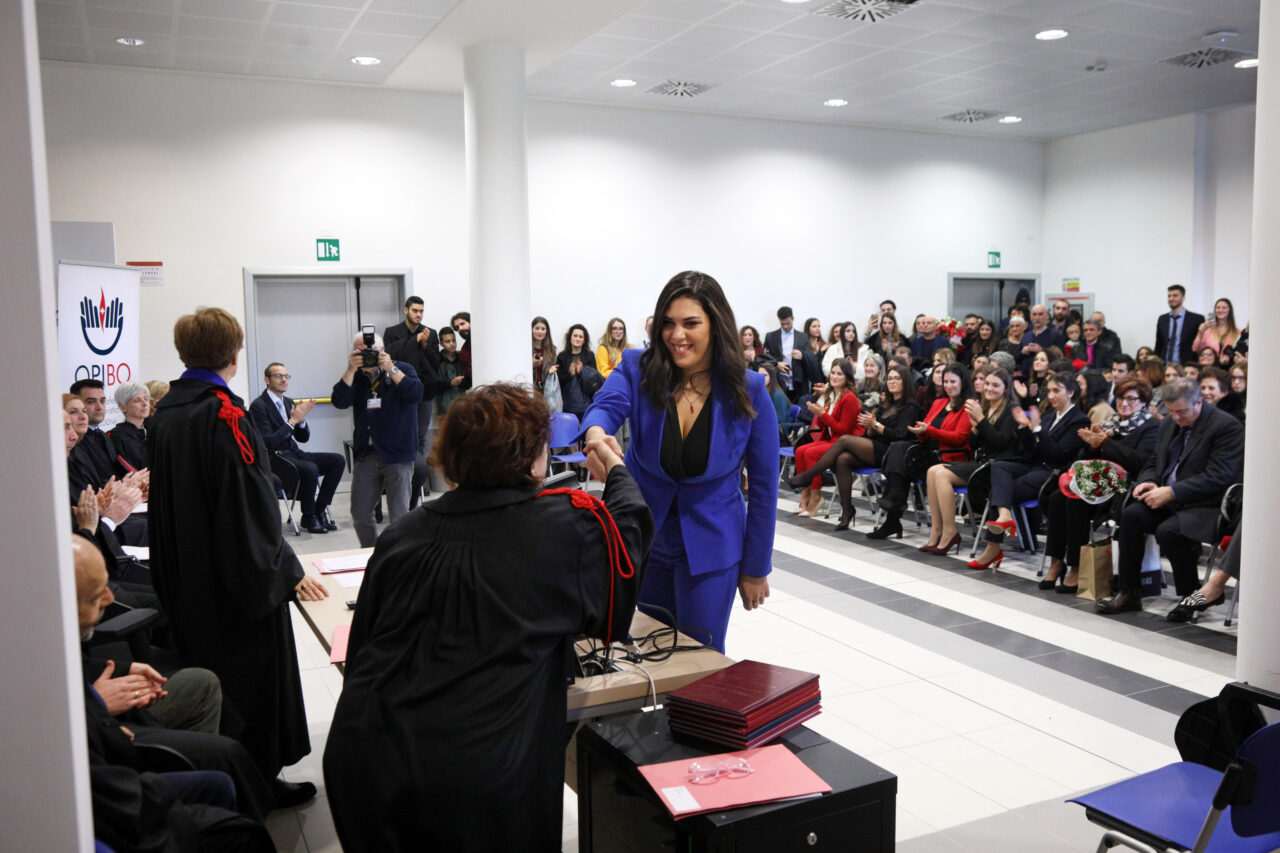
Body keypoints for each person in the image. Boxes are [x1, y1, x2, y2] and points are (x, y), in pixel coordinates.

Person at [324, 384, 651, 852]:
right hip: (477, 774)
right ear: (531, 461)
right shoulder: (560, 528)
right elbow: (621, 570)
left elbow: (361, 652)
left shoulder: (403, 533)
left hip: (365, 757)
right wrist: (617, 471)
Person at [147, 306, 325, 802]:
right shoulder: (223, 414)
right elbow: (249, 506)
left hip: (187, 575)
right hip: (234, 583)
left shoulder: (167, 414)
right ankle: (258, 783)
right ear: (233, 354)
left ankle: (226, 779)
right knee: (251, 683)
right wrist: (284, 570)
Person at [582, 270, 778, 653]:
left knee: (700, 658)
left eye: (691, 323)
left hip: (711, 546)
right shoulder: (638, 367)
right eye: (669, 323)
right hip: (646, 538)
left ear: (716, 325)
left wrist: (755, 568)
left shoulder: (749, 389)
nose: (677, 335)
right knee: (652, 654)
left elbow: (766, 488)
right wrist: (595, 435)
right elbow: (605, 407)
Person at [1096, 377, 1244, 613]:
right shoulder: (1168, 424)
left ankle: (1191, 596)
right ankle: (1128, 592)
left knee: (1169, 531)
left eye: (1182, 411)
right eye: (1172, 411)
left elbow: (1219, 477)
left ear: (1199, 402)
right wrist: (1148, 482)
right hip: (1169, 497)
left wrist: (1172, 491)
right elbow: (1155, 461)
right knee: (1132, 515)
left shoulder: (1226, 427)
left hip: (1207, 504)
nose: (1176, 417)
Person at [1040, 375, 1159, 592]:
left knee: (1075, 502)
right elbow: (1086, 457)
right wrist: (1092, 446)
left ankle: (1076, 566)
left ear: (1144, 402)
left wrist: (1105, 443)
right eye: (1121, 398)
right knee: (1058, 496)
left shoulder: (1150, 427)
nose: (1124, 403)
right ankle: (1056, 561)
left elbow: (1139, 462)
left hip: (1125, 487)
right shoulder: (1111, 423)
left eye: (1131, 399)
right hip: (1098, 481)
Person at [969, 371, 1090, 569]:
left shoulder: (1079, 420)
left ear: (1070, 392)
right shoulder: (1051, 417)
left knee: (998, 492)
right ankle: (1004, 519)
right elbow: (1032, 451)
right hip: (1035, 466)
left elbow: (1057, 455)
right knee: (998, 466)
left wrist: (1037, 429)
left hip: (1054, 474)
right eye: (1049, 391)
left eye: (1056, 391)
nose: (1051, 395)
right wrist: (1025, 428)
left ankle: (994, 546)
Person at [785, 364, 920, 531]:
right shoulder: (886, 404)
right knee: (843, 459)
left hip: (892, 453)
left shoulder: (910, 406)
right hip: (876, 446)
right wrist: (871, 428)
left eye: (897, 378)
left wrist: (875, 425)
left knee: (843, 441)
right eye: (890, 378)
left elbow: (900, 435)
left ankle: (805, 477)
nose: (892, 382)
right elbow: (872, 433)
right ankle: (847, 510)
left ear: (905, 382)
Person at [332, 331, 424, 547]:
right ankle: (370, 554)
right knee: (360, 513)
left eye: (369, 351)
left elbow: (416, 393)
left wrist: (390, 368)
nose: (365, 356)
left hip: (398, 454)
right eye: (359, 351)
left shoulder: (402, 368)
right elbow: (339, 401)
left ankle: (397, 558)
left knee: (399, 517)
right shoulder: (356, 377)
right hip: (367, 454)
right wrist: (350, 369)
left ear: (382, 351)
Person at [920, 368, 1020, 555]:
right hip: (981, 461)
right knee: (932, 470)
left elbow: (1000, 442)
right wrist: (975, 430)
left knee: (942, 475)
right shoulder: (985, 406)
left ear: (1006, 389)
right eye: (987, 384)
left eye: (995, 385)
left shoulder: (1011, 410)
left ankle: (950, 532)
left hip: (998, 467)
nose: (989, 388)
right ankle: (937, 530)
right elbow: (974, 445)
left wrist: (981, 421)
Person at [870, 363, 974, 540]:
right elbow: (925, 427)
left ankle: (894, 511)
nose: (948, 385)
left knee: (901, 461)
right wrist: (920, 431)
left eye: (953, 381)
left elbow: (958, 438)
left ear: (963, 383)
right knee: (899, 448)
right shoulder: (939, 402)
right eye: (946, 381)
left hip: (950, 457)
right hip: (929, 453)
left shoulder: (968, 406)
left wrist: (929, 431)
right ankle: (895, 503)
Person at [248, 362, 345, 534]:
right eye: (278, 376)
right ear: (267, 380)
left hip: (295, 453)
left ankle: (319, 510)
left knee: (337, 460)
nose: (284, 380)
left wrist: (301, 422)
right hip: (276, 458)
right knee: (310, 469)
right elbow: (268, 442)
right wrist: (292, 421)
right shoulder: (259, 406)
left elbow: (303, 438)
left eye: (286, 376)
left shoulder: (288, 402)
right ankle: (308, 517)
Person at [790, 359, 860, 517]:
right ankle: (805, 496)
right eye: (833, 373)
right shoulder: (833, 395)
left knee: (810, 453)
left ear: (847, 377)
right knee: (800, 450)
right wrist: (819, 414)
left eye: (839, 374)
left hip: (843, 443)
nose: (834, 376)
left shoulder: (849, 398)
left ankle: (816, 497)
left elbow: (844, 430)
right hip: (832, 440)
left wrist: (823, 415)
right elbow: (827, 426)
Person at [384, 295, 442, 459]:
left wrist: (424, 346)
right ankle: (403, 477)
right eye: (415, 310)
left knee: (420, 437)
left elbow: (435, 363)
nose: (419, 314)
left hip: (425, 393)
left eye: (421, 311)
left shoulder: (430, 333)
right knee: (399, 434)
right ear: (406, 310)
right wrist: (414, 340)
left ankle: (417, 479)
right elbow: (390, 355)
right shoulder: (392, 332)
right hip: (399, 393)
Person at [69, 378, 117, 488]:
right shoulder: (73, 444)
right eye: (91, 402)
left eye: (102, 401)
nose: (99, 407)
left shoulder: (104, 437)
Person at [1154, 284, 1205, 366]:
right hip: (1165, 365)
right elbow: (1158, 344)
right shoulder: (1163, 319)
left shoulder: (1197, 319)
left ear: (1183, 298)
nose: (1171, 298)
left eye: (1175, 296)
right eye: (1169, 296)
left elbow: (1200, 345)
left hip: (1187, 365)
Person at [555, 323, 597, 420]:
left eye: (581, 337)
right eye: (575, 336)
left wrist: (582, 373)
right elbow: (558, 382)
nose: (578, 339)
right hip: (567, 406)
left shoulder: (589, 355)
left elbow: (595, 382)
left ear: (584, 340)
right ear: (570, 338)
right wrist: (570, 374)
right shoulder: (562, 356)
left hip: (586, 404)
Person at [765, 306, 807, 401]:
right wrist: (776, 363)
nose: (785, 326)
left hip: (798, 383)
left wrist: (802, 355)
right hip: (778, 381)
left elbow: (809, 358)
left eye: (788, 323)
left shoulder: (803, 337)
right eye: (782, 324)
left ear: (793, 318)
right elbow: (765, 357)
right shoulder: (770, 337)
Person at [110, 382, 150, 472]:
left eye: (146, 399)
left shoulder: (152, 430)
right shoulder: (118, 437)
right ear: (123, 407)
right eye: (137, 400)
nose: (144, 404)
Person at [1191, 297, 1240, 366]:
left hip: (1228, 368)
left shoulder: (1237, 332)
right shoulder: (1206, 329)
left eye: (1224, 308)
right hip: (1209, 368)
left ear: (1229, 310)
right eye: (1218, 308)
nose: (1220, 310)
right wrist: (1201, 331)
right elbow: (1195, 349)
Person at [1019, 304, 1066, 375]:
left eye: (1040, 314)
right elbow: (1016, 357)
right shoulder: (1026, 335)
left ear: (1046, 316)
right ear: (1031, 317)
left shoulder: (1055, 335)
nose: (1037, 318)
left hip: (1046, 378)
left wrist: (1042, 351)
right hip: (1026, 378)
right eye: (1034, 315)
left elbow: (1060, 358)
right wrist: (1022, 352)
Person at [434, 327, 467, 416]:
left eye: (453, 340)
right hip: (443, 408)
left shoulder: (462, 357)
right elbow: (434, 385)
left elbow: (469, 381)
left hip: (463, 406)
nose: (452, 344)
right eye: (447, 341)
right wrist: (450, 383)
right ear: (441, 343)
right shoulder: (436, 360)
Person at [531, 315, 557, 390]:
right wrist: (532, 365)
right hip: (530, 389)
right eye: (537, 328)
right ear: (531, 330)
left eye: (543, 329)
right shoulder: (525, 349)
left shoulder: (552, 349)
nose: (540, 332)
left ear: (547, 331)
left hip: (546, 391)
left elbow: (551, 374)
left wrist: (551, 371)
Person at [450, 310, 472, 382]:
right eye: (457, 328)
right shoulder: (464, 352)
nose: (460, 328)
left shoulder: (489, 338)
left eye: (462, 324)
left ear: (471, 322)